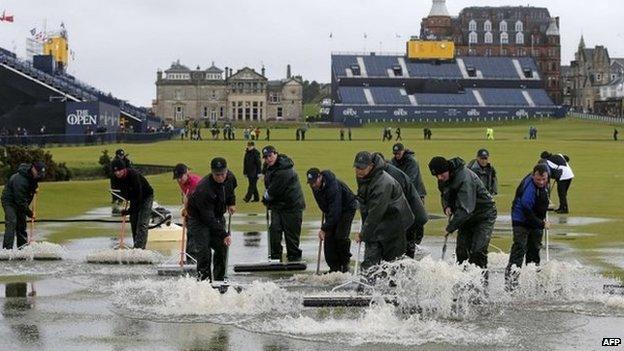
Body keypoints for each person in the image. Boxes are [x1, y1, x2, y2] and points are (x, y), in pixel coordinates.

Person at [428, 156, 497, 271]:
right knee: (461, 251)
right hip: (465, 216)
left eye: (441, 175)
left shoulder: (464, 178)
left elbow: (466, 209)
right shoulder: (443, 179)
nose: (439, 178)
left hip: (484, 215)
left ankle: (481, 282)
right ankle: (463, 281)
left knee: (478, 251)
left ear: (447, 169)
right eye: (437, 176)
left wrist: (450, 228)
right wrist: (447, 206)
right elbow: (445, 194)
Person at [353, 151, 414, 271]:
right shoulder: (363, 176)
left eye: (362, 168)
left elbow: (376, 212)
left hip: (395, 223)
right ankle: (366, 288)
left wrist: (363, 234)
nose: (358, 170)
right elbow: (365, 200)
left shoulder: (383, 183)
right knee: (370, 262)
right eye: (356, 167)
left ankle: (394, 288)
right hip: (379, 222)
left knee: (392, 264)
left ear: (370, 166)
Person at [185, 158, 236, 281]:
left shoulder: (230, 177)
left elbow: (230, 191)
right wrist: (224, 234)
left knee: (222, 247)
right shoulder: (204, 189)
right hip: (199, 219)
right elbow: (208, 219)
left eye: (222, 174)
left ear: (226, 171)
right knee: (204, 252)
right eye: (217, 175)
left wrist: (231, 203)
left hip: (217, 215)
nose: (220, 177)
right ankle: (204, 282)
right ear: (212, 172)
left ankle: (219, 280)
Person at [505, 164, 550, 291]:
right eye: (538, 179)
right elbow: (527, 212)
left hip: (535, 219)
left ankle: (533, 282)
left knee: (534, 250)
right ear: (533, 175)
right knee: (519, 248)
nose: (541, 182)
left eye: (543, 179)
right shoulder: (529, 189)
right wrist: (541, 224)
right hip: (521, 220)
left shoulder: (546, 181)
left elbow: (543, 196)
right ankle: (511, 284)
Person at [373, 153, 428, 257]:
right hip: (404, 213)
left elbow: (399, 202)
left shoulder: (394, 175)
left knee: (406, 245)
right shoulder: (385, 172)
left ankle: (408, 269)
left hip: (411, 213)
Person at [307, 168, 357, 273]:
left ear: (320, 177)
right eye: (311, 183)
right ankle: (334, 268)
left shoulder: (333, 186)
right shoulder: (315, 187)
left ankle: (344, 265)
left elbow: (336, 210)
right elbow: (323, 205)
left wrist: (324, 228)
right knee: (329, 239)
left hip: (347, 208)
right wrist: (327, 221)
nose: (313, 185)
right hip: (331, 210)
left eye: (315, 182)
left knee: (340, 236)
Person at [262, 145, 306, 262]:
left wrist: (265, 199)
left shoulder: (284, 170)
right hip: (278, 206)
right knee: (274, 232)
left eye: (270, 156)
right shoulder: (269, 167)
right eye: (266, 157)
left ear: (276, 154)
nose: (268, 159)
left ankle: (294, 258)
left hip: (292, 206)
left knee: (291, 235)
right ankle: (275, 257)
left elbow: (274, 190)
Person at [111, 158, 154, 249]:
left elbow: (138, 195)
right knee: (133, 221)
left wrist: (130, 210)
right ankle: (136, 246)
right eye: (115, 171)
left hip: (145, 196)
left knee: (142, 223)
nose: (117, 173)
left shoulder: (133, 175)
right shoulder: (116, 178)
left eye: (119, 170)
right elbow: (124, 194)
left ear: (124, 169)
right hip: (133, 198)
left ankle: (139, 249)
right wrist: (128, 210)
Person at [2, 162, 46, 249]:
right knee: (12, 222)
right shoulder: (20, 180)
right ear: (33, 169)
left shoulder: (34, 176)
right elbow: (20, 201)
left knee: (22, 225)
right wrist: (30, 213)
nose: (39, 176)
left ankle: (22, 248)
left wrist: (34, 189)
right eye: (38, 173)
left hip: (21, 202)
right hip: (10, 201)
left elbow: (31, 187)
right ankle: (7, 250)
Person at [173, 163, 202, 259]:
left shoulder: (195, 182)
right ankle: (190, 258)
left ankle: (194, 260)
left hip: (202, 207)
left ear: (186, 173)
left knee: (195, 233)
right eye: (177, 177)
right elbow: (185, 195)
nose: (179, 179)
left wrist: (187, 210)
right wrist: (185, 209)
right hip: (192, 207)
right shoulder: (180, 181)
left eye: (181, 177)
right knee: (190, 233)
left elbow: (195, 202)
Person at [110, 149, 132, 214]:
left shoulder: (122, 161)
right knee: (117, 195)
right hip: (117, 181)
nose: (122, 156)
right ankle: (115, 209)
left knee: (119, 195)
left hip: (119, 181)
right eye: (120, 155)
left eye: (122, 155)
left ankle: (117, 208)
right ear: (117, 155)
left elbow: (128, 168)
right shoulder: (116, 162)